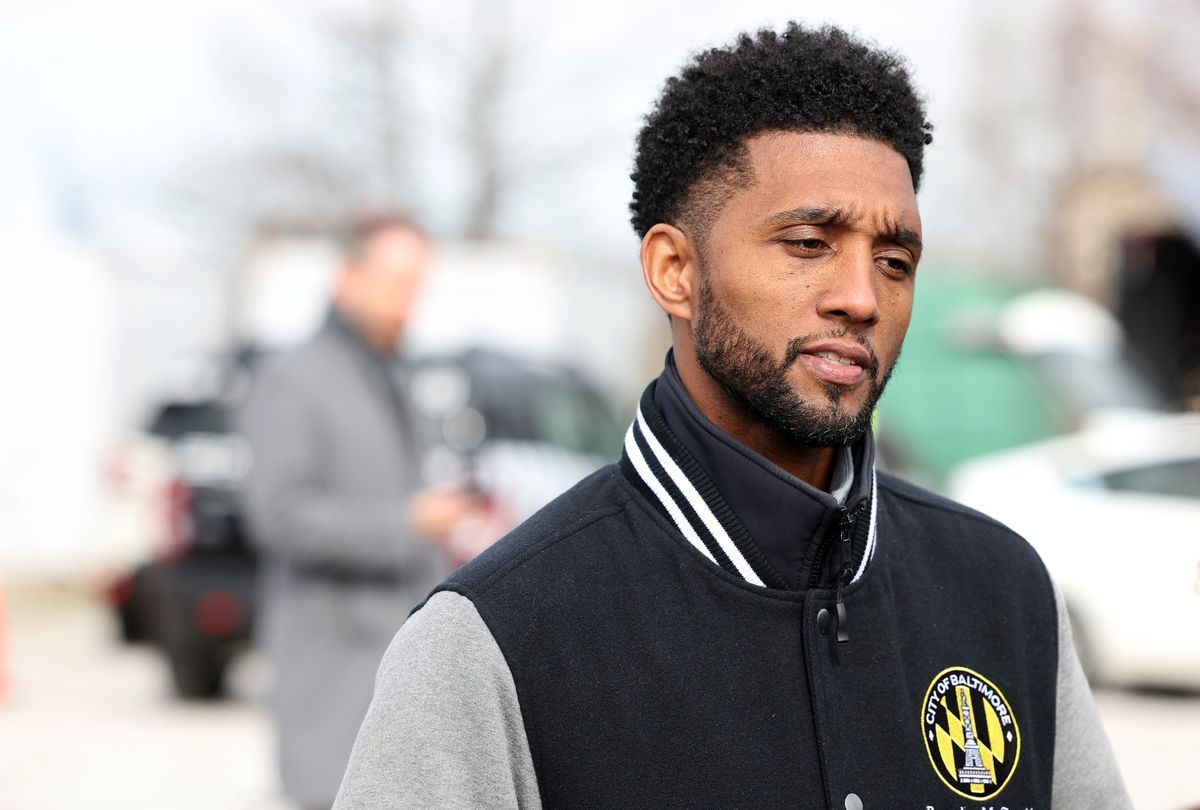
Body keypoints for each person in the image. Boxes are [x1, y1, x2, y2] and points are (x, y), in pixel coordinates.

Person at [334, 25, 1131, 809]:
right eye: (809, 243)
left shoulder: (1001, 592)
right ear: (675, 271)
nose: (861, 296)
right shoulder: (497, 639)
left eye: (895, 261)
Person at [240, 215, 454, 809]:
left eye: (418, 282)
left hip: (404, 666)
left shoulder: (395, 375)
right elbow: (278, 517)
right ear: (348, 276)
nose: (409, 299)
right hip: (331, 679)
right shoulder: (295, 380)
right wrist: (408, 523)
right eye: (396, 279)